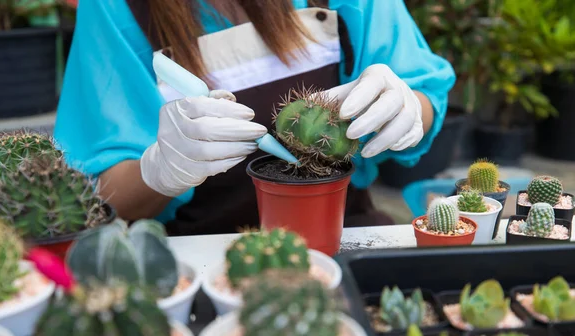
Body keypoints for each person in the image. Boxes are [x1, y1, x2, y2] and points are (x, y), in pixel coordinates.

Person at [54, 0, 455, 236]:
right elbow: (101, 194)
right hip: (201, 249)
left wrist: (406, 108)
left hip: (342, 231)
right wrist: (157, 170)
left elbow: (422, 92)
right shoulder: (113, 9)